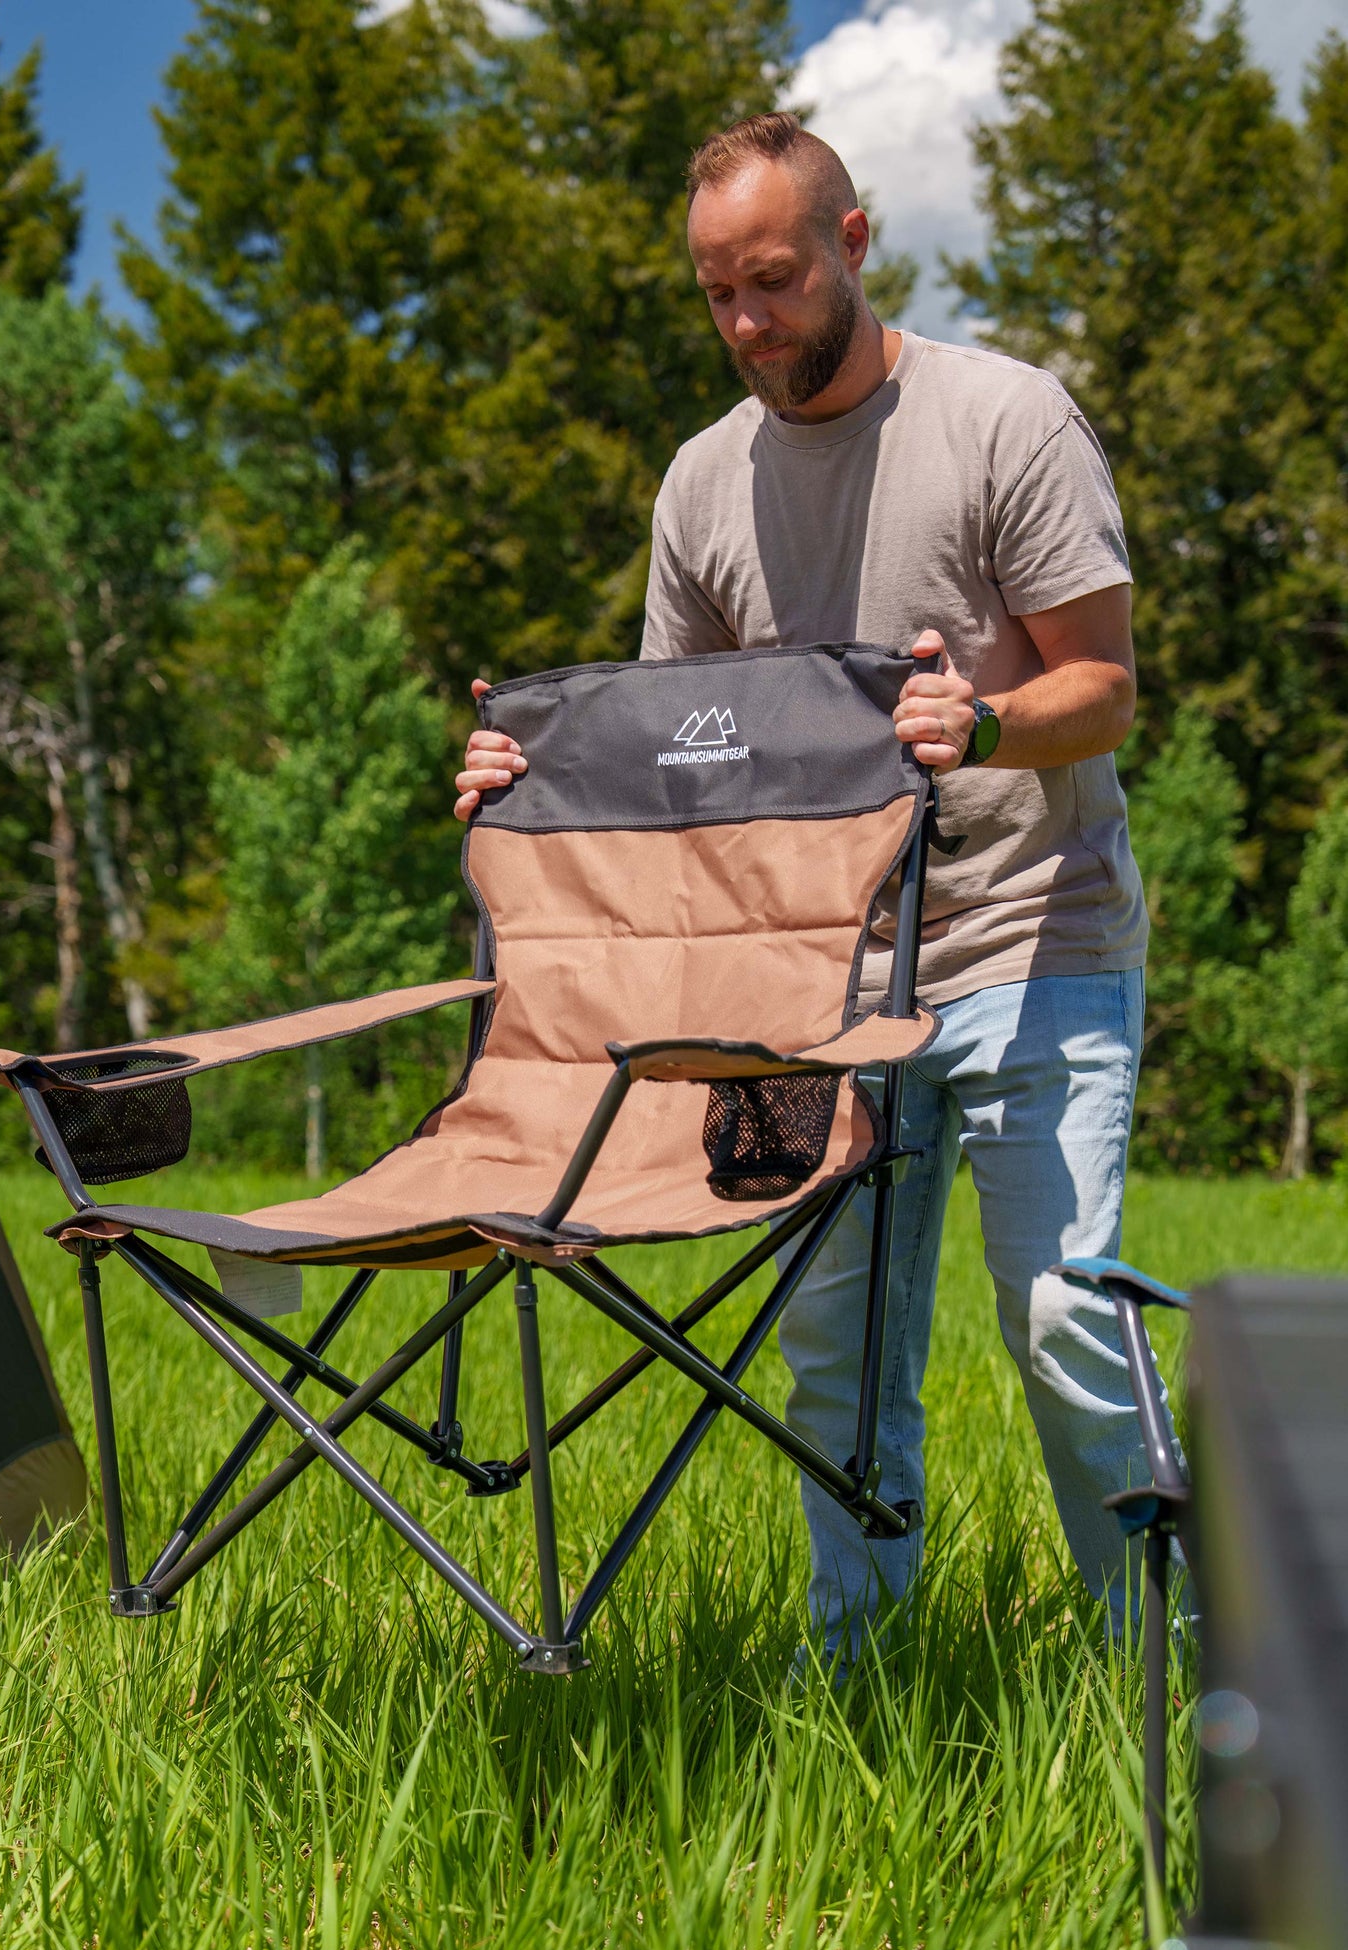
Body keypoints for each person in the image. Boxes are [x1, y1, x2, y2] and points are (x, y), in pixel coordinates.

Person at [453, 110, 1171, 1664]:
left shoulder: (1006, 422)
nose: (745, 322)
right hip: (822, 981)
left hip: (1032, 933)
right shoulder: (703, 486)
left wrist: (980, 718)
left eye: (771, 281)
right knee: (833, 1353)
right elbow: (675, 765)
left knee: (1064, 1324)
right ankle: (856, 1667)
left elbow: (1105, 687)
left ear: (852, 245)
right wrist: (537, 782)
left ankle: (1163, 1663)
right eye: (716, 293)